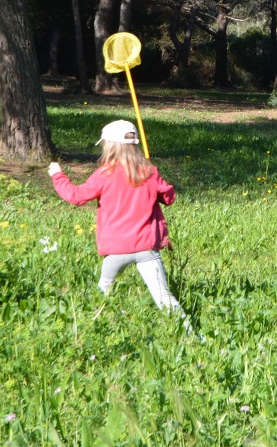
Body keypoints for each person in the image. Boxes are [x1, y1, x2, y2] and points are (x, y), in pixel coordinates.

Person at [48, 119, 182, 314]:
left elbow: (75, 196)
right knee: (163, 296)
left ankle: (93, 325)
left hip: (116, 250)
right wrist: (157, 185)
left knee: (102, 294)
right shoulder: (149, 172)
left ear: (109, 147)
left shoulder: (104, 174)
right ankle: (191, 334)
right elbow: (169, 198)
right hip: (147, 247)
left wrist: (58, 176)